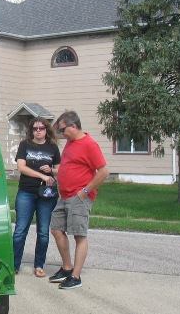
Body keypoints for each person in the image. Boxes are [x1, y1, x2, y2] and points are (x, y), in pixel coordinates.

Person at [49, 111, 109, 290]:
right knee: (56, 230)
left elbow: (104, 171)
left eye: (62, 130)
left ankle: (75, 276)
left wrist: (85, 191)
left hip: (79, 197)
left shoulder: (89, 144)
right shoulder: (70, 142)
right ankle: (67, 268)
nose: (61, 134)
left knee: (79, 235)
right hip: (64, 196)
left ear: (74, 126)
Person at [12, 117, 61, 277]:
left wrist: (51, 171)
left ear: (46, 130)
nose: (38, 131)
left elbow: (60, 170)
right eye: (35, 128)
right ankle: (14, 265)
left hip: (46, 195)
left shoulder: (53, 147)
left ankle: (39, 265)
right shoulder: (24, 145)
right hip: (26, 192)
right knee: (20, 230)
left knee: (43, 232)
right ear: (31, 130)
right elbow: (21, 167)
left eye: (41, 128)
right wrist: (42, 176)